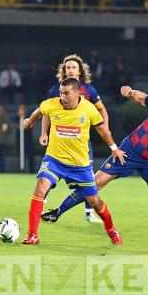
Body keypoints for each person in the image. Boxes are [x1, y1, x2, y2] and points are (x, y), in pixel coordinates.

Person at [42, 86, 148, 248]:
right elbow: (143, 98)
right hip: (128, 152)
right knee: (95, 183)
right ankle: (57, 212)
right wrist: (130, 91)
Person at [21, 78, 125, 245]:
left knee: (95, 203)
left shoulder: (89, 109)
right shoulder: (52, 104)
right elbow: (39, 111)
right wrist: (29, 121)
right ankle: (32, 235)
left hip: (80, 166)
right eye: (61, 93)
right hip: (55, 160)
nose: (62, 97)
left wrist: (114, 148)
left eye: (66, 93)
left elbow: (102, 130)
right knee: (40, 188)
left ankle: (112, 231)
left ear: (78, 93)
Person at [42, 54, 110, 223]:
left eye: (74, 67)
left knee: (88, 179)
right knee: (49, 176)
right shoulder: (56, 90)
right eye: (68, 67)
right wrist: (44, 133)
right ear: (63, 71)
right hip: (60, 140)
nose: (70, 69)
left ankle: (89, 213)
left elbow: (102, 110)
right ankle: (41, 203)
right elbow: (46, 113)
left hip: (82, 143)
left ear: (80, 71)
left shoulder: (89, 90)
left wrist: (104, 128)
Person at [0, 105, 15, 173]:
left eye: (1, 110)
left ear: (4, 111)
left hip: (3, 143)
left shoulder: (7, 120)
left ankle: (2, 172)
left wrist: (9, 140)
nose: (0, 112)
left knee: (2, 159)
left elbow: (11, 131)